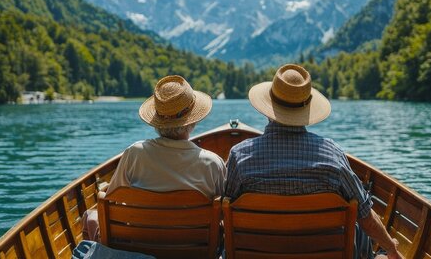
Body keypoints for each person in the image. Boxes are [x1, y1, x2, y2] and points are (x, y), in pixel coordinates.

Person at [224, 64, 404, 259]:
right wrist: (391, 248)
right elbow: (365, 216)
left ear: (269, 109)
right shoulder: (332, 156)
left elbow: (225, 212)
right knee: (357, 224)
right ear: (307, 110)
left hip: (256, 254)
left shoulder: (239, 157)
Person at [82, 75, 226, 241]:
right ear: (192, 121)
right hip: (195, 250)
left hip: (140, 246)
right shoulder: (213, 163)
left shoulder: (134, 154)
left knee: (89, 216)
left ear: (157, 122)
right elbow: (223, 214)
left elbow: (112, 200)